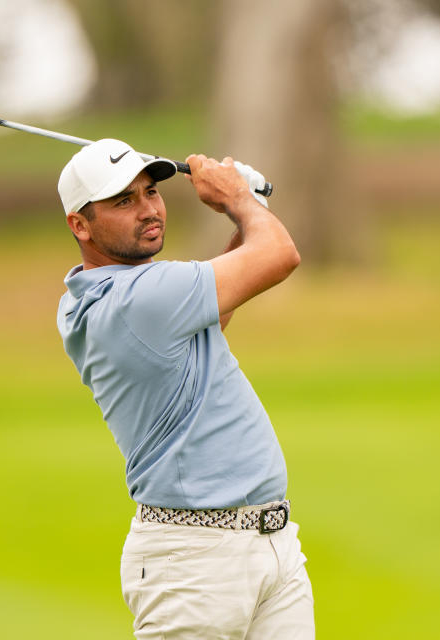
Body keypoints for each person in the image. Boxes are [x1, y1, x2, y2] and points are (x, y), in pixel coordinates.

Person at [56, 138, 314, 639]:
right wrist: (236, 198)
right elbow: (280, 253)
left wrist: (247, 209)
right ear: (79, 224)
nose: (149, 210)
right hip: (195, 564)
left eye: (150, 191)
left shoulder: (99, 297)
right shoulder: (138, 299)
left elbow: (215, 309)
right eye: (123, 201)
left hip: (269, 543)